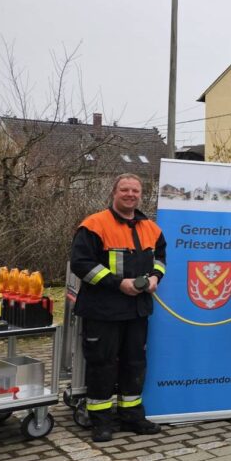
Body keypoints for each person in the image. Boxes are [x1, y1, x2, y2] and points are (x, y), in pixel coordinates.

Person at [70, 173, 167, 443]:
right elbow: (81, 264)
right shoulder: (94, 224)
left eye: (135, 190)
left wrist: (156, 278)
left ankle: (132, 415)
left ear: (141, 194)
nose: (130, 194)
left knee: (134, 363)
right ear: (114, 192)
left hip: (137, 311)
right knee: (102, 364)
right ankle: (100, 421)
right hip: (103, 310)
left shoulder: (151, 227)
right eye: (125, 190)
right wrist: (117, 284)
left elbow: (160, 258)